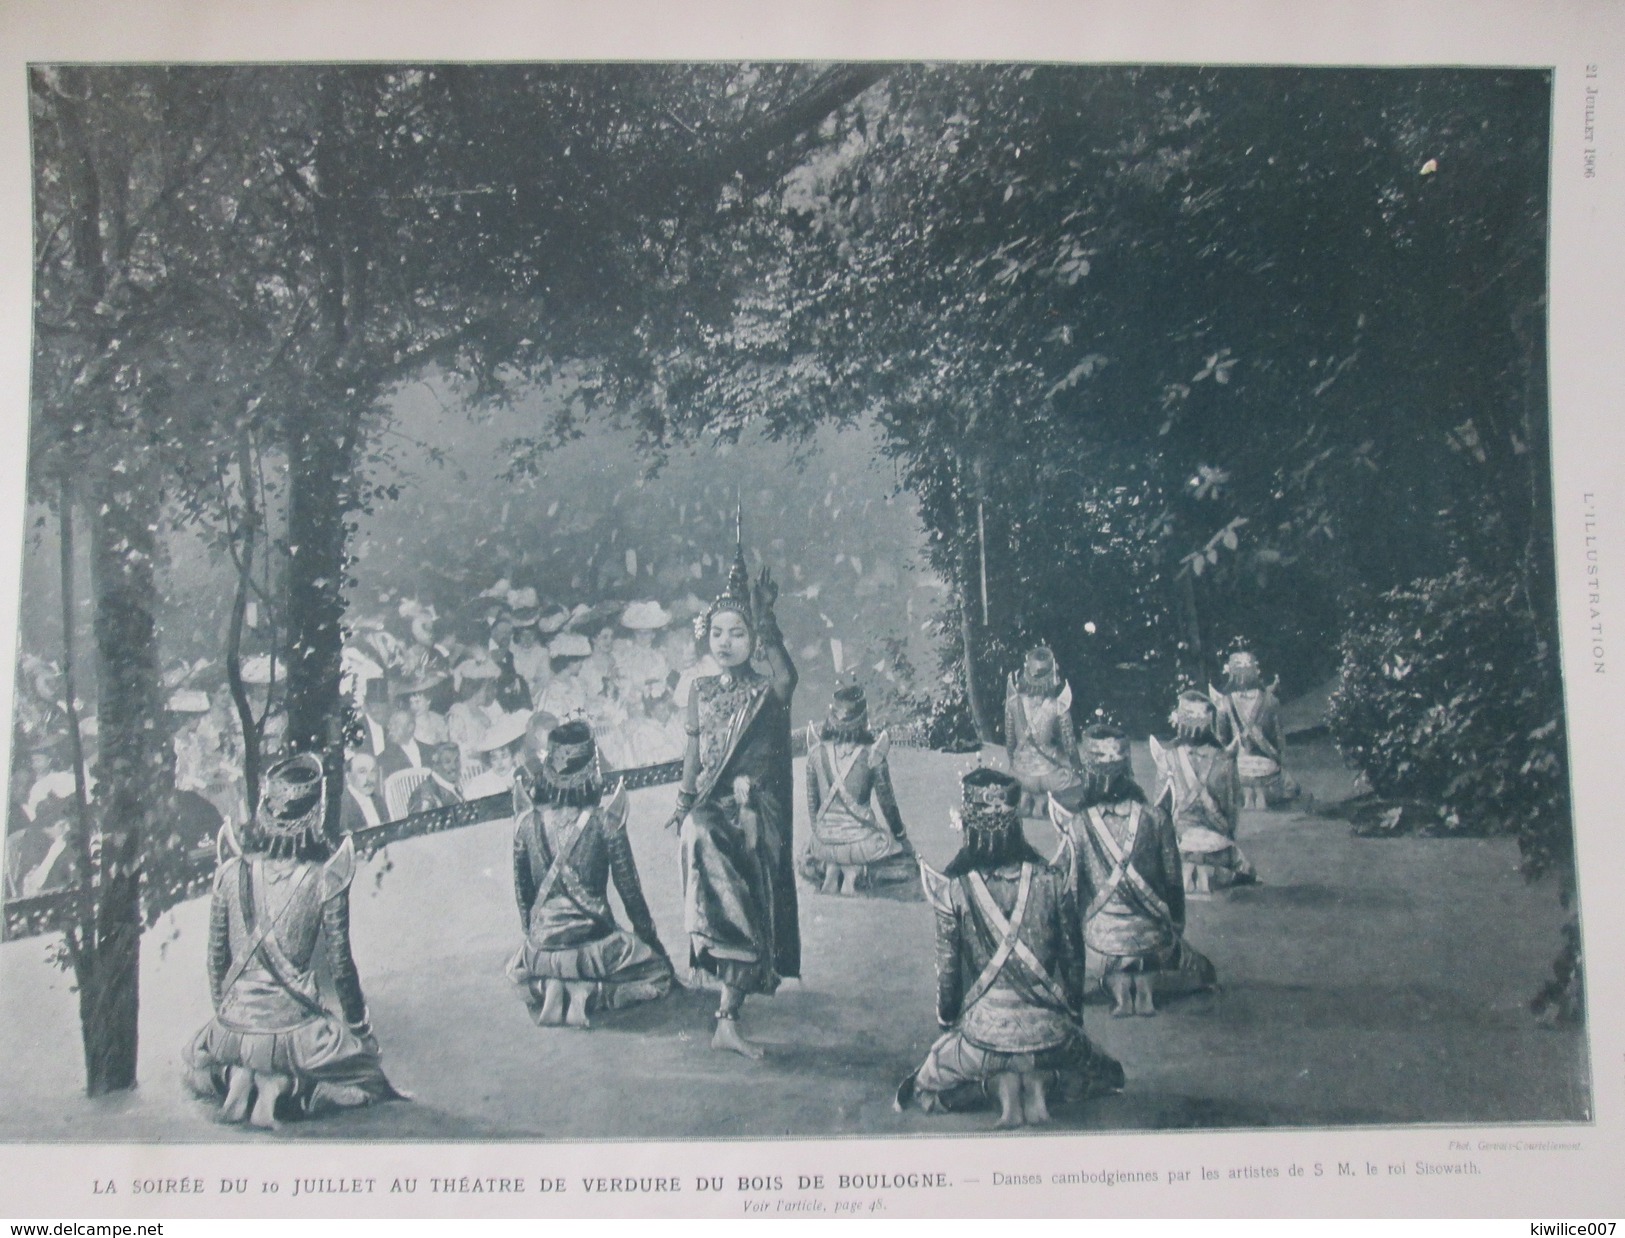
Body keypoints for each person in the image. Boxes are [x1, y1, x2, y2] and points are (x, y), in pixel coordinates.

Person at [184, 753, 403, 1128]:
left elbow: (215, 960)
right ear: (314, 815)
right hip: (295, 1030)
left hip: (229, 1029)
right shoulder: (326, 878)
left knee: (196, 1068)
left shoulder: (228, 872)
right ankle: (288, 1088)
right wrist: (361, 1030)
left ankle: (240, 1075)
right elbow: (341, 965)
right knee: (367, 1079)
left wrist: (226, 1012)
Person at [895, 768, 1123, 1127]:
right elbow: (1073, 960)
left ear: (968, 826)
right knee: (1107, 1075)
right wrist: (1073, 1015)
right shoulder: (1051, 880)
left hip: (982, 1039)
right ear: (1016, 823)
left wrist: (947, 1021)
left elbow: (949, 972)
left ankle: (999, 1088)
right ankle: (1043, 1082)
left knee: (922, 1087)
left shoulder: (954, 889)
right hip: (1051, 1034)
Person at [665, 536, 798, 1059]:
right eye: (718, 632)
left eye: (737, 633)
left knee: (747, 907)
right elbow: (694, 756)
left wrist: (766, 620)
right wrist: (682, 802)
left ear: (752, 639)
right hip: (709, 815)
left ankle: (729, 1014)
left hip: (753, 817)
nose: (725, 642)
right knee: (718, 900)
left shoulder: (767, 690)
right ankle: (724, 1014)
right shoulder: (701, 691)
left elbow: (788, 674)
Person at [507, 721, 675, 1027]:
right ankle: (593, 994)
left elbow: (524, 897)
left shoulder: (525, 823)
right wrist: (654, 947)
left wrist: (534, 938)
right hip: (594, 949)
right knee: (659, 976)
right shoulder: (605, 823)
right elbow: (631, 895)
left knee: (520, 976)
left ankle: (547, 987)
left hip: (539, 952)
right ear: (591, 771)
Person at [1048, 725, 1217, 1017]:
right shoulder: (1156, 818)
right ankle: (1147, 982)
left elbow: (1068, 898)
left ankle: (1112, 984)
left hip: (1098, 949)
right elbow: (1174, 886)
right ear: (1127, 769)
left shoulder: (1078, 825)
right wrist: (1173, 931)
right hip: (1155, 943)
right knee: (1204, 971)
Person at [799, 684, 915, 896]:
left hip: (822, 843)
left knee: (817, 852)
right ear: (863, 719)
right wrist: (901, 836)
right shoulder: (873, 755)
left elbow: (812, 804)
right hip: (862, 844)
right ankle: (852, 873)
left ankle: (832, 868)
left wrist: (819, 834)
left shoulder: (815, 753)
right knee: (895, 849)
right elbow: (887, 805)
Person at [1150, 690, 1258, 895]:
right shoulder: (1224, 758)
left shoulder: (1168, 757)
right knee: (1232, 859)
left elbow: (1159, 808)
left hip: (1179, 840)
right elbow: (1232, 809)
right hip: (1218, 840)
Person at [1211, 647, 1299, 809]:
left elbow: (1221, 741)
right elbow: (1279, 739)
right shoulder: (1270, 701)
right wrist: (1276, 756)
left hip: (1238, 767)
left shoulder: (1224, 703)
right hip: (1267, 768)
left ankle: (1247, 797)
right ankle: (1260, 796)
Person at [1004, 645, 1082, 817]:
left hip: (1019, 775)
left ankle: (1027, 796)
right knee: (1075, 780)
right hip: (1051, 778)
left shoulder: (1013, 703)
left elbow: (1010, 743)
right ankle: (1043, 801)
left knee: (1024, 776)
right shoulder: (1058, 706)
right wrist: (1078, 768)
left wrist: (1015, 765)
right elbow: (1070, 746)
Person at [406, 743, 465, 814]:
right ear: (435, 766)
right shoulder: (424, 795)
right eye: (447, 762)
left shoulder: (451, 787)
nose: (454, 767)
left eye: (456, 761)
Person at [338, 751, 385, 837]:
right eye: (362, 772)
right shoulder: (340, 805)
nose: (369, 778)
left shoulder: (379, 800)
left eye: (373, 771)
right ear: (348, 777)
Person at [376, 707, 426, 781]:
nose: (391, 728)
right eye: (390, 724)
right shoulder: (383, 759)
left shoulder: (429, 751)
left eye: (396, 723)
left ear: (410, 727)